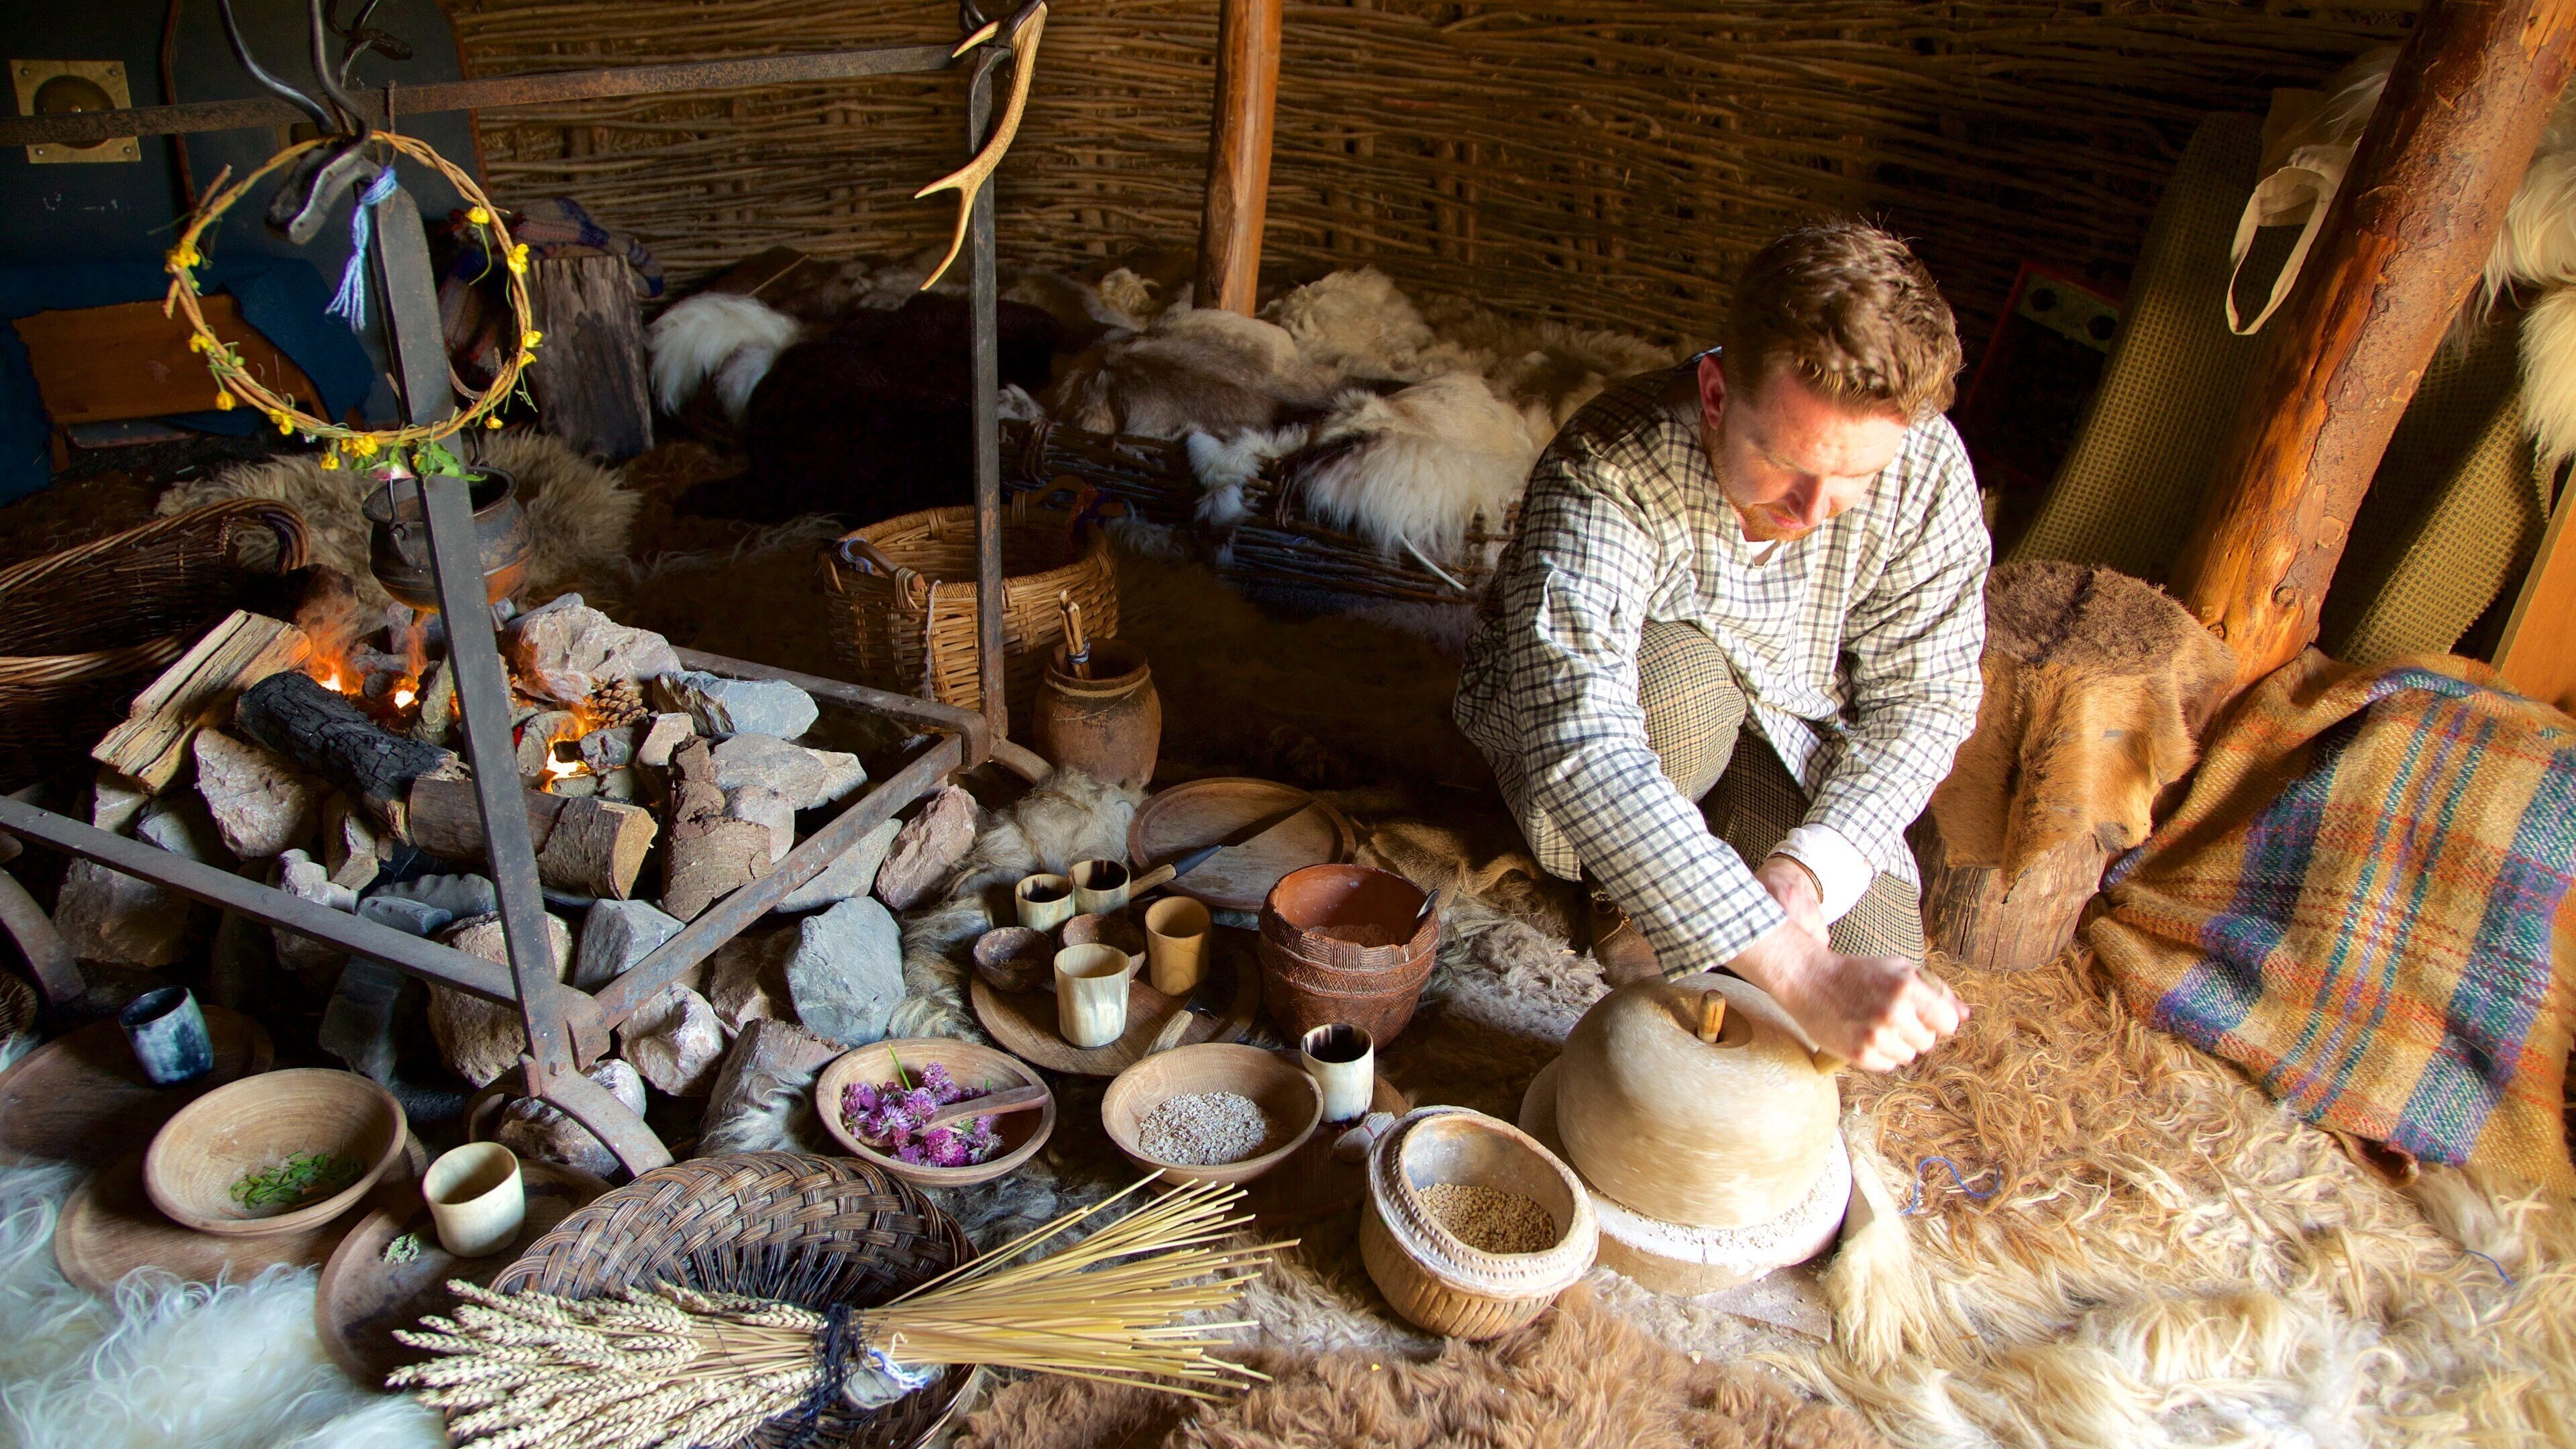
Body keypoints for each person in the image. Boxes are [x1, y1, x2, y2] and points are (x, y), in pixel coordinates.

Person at [1452, 221, 1984, 1071]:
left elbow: (1926, 702)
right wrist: (1795, 964)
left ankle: (1726, 873)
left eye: (1854, 478)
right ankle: (1625, 901)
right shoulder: (1608, 466)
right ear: (1715, 394)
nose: (1813, 510)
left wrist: (1804, 880)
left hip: (1794, 726)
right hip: (1656, 712)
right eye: (1786, 461)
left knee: (1874, 961)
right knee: (1678, 694)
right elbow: (1583, 740)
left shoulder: (1925, 470)